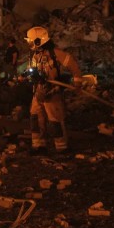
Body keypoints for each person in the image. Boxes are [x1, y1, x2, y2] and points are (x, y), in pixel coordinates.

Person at [23, 26, 82, 155]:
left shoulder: (55, 53)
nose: (30, 44)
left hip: (52, 92)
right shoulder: (35, 55)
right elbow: (31, 70)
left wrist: (77, 82)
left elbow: (72, 65)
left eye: (31, 41)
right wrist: (26, 76)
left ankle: (62, 147)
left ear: (39, 41)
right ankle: (39, 146)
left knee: (55, 120)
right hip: (38, 91)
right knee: (36, 117)